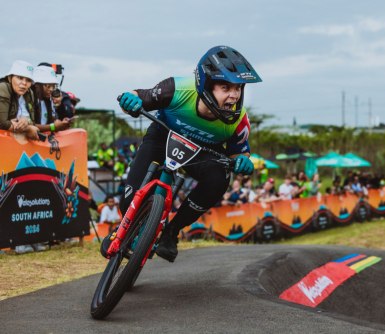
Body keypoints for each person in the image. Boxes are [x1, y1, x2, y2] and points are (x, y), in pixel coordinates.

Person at [103, 46, 261, 263]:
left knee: (220, 177)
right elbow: (138, 95)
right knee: (128, 201)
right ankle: (124, 229)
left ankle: (172, 231)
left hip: (204, 152)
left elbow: (237, 156)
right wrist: (129, 101)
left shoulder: (240, 121)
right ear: (206, 85)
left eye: (238, 88)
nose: (234, 95)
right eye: (226, 87)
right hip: (163, 137)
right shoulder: (175, 89)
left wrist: (243, 162)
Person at [0, 60, 40, 141]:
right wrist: (28, 129)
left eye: (28, 80)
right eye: (20, 78)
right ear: (10, 78)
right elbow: (2, 123)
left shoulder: (29, 93)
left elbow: (33, 121)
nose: (24, 83)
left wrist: (26, 120)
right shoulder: (3, 88)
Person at [32, 66, 70, 132]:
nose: (51, 90)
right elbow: (30, 126)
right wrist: (53, 127)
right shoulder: (29, 100)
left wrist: (61, 123)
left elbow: (52, 121)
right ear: (36, 84)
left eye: (54, 86)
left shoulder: (49, 101)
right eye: (48, 86)